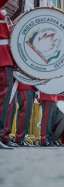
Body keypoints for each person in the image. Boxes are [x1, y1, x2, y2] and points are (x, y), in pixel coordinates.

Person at [0, 8, 15, 149]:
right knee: (3, 101)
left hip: (6, 59)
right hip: (3, 59)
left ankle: (3, 136)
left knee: (7, 104)